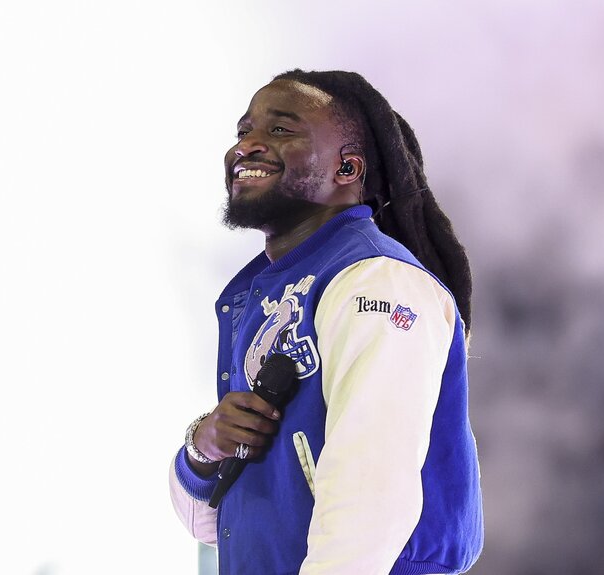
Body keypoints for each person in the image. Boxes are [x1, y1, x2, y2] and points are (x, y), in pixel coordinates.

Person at [168, 69, 483, 574]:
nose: (246, 145)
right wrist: (201, 447)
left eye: (279, 130)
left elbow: (372, 491)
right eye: (243, 131)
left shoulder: (377, 283)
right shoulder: (263, 294)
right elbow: (216, 527)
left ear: (347, 167)